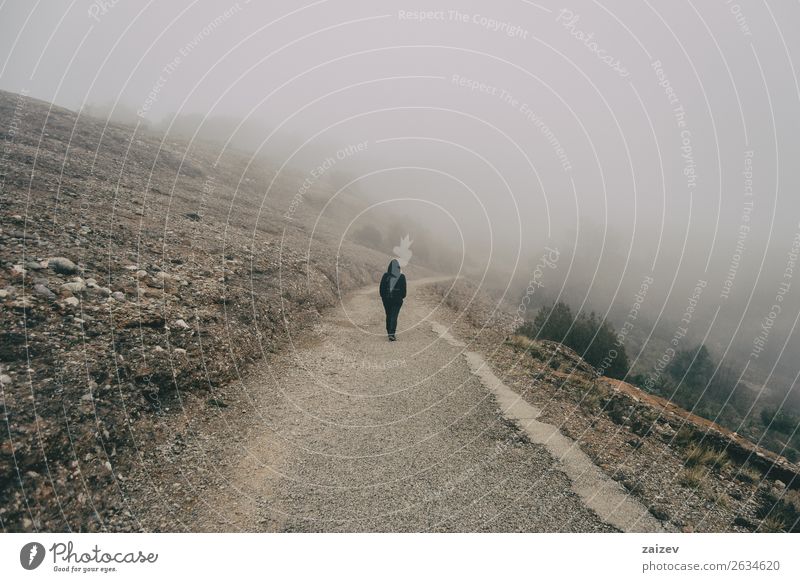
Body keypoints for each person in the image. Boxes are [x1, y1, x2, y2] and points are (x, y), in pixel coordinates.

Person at [379, 259, 406, 341]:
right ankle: (392, 333)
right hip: (397, 300)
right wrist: (401, 297)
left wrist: (383, 297)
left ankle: (389, 332)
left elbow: (381, 289)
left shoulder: (385, 275)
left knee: (389, 315)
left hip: (386, 300)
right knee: (394, 316)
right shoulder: (401, 276)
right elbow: (404, 291)